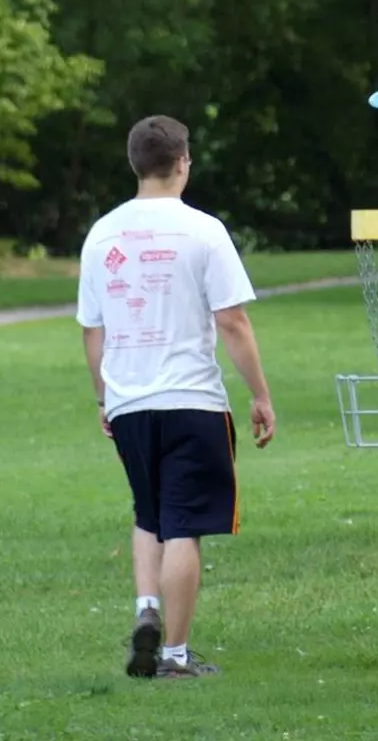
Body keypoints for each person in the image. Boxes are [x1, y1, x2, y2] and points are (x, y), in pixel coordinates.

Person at [76, 115, 277, 680]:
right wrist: (260, 395)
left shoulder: (102, 235)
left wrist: (103, 399)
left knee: (149, 512)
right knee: (183, 522)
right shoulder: (204, 231)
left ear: (134, 164)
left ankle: (147, 611)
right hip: (191, 398)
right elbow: (233, 322)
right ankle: (175, 654)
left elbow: (92, 330)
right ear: (183, 161)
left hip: (129, 401)